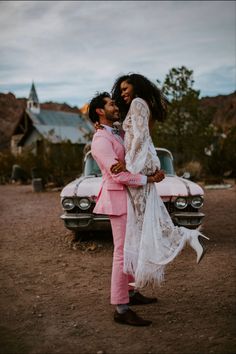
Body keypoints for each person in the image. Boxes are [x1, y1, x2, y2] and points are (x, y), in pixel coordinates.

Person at [111, 73, 209, 288]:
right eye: (121, 90)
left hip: (138, 164)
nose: (122, 93)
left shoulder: (138, 103)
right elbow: (132, 133)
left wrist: (128, 164)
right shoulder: (141, 104)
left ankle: (189, 236)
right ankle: (143, 270)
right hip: (142, 162)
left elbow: (140, 136)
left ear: (136, 88)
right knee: (146, 218)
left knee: (143, 218)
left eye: (126, 89)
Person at [89, 92, 165, 326]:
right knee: (121, 253)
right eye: (110, 104)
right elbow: (119, 174)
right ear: (100, 112)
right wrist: (148, 180)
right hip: (118, 200)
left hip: (129, 199)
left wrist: (150, 171)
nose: (115, 106)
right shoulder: (101, 140)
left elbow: (133, 157)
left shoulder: (118, 133)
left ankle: (131, 293)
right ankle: (121, 309)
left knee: (132, 248)